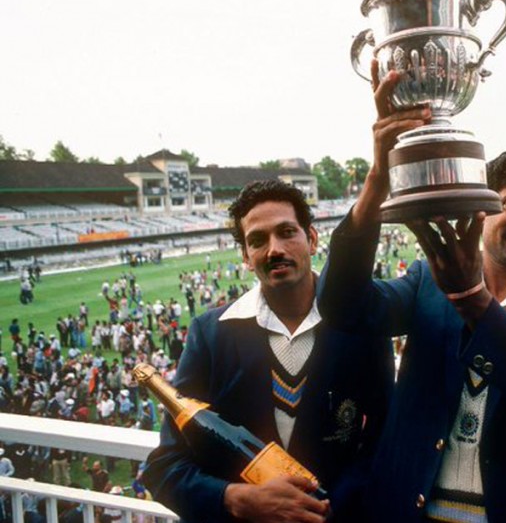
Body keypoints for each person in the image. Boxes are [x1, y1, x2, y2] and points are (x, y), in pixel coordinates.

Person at [319, 67, 506, 523]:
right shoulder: (427, 281)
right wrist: (379, 176)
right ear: (484, 206)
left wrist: (475, 299)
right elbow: (342, 307)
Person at [143, 181, 394, 523]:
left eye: (287, 232)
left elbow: (383, 440)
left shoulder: (362, 323)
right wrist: (235, 499)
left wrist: (328, 506)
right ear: (245, 257)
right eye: (258, 240)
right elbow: (163, 466)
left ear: (313, 239)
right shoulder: (211, 334)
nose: (275, 249)